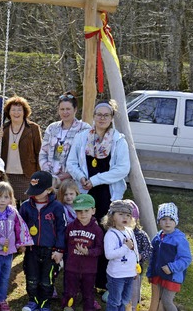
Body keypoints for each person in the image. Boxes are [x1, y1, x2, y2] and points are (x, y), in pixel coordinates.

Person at [66, 99, 131, 291]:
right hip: (85, 191)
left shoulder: (119, 141)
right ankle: (80, 277)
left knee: (103, 235)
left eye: (106, 115)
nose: (102, 118)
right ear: (93, 117)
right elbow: (71, 163)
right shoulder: (82, 137)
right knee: (83, 234)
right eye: (98, 114)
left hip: (107, 195)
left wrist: (95, 180)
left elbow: (122, 169)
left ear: (111, 118)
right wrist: (81, 177)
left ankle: (101, 281)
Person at [0, 182, 33, 311]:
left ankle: (2, 299)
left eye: (6, 197)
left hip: (8, 253)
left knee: (5, 278)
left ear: (11, 198)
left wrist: (22, 243)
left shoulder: (13, 213)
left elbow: (20, 227)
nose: (2, 200)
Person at [19, 171, 66, 311]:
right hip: (32, 249)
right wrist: (21, 243)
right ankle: (33, 301)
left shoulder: (57, 207)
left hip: (50, 251)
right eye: (33, 190)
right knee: (31, 277)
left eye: (38, 191)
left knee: (47, 279)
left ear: (49, 190)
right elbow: (20, 226)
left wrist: (59, 250)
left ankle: (45, 303)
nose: (34, 194)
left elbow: (61, 230)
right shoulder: (26, 206)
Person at [0, 95, 42, 203]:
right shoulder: (3, 128)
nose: (16, 113)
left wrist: (39, 174)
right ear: (8, 113)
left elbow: (39, 152)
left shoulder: (33, 128)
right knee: (9, 204)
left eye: (19, 110)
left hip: (27, 174)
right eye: (13, 110)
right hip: (8, 175)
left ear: (25, 112)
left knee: (27, 205)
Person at [63, 194, 104, 311]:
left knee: (88, 291)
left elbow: (100, 249)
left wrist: (89, 252)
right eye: (79, 211)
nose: (83, 214)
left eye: (86, 210)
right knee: (70, 289)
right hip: (72, 266)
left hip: (89, 269)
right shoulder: (70, 227)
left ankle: (89, 307)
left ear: (93, 210)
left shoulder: (97, 230)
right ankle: (69, 306)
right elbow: (65, 243)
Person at [147, 203, 191, 311]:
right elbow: (153, 256)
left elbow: (186, 259)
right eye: (164, 219)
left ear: (176, 221)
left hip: (173, 276)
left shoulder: (179, 239)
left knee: (167, 300)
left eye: (171, 219)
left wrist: (172, 268)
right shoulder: (158, 237)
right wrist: (150, 272)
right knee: (160, 300)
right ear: (159, 221)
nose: (167, 222)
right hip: (159, 275)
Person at [39, 92, 91, 182]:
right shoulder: (51, 128)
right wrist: (48, 173)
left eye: (68, 109)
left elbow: (87, 156)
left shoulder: (84, 128)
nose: (65, 112)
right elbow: (43, 153)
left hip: (73, 180)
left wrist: (69, 174)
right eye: (62, 109)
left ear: (75, 109)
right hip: (51, 180)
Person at [102, 200, 139, 311]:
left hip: (129, 273)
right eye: (121, 214)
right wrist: (125, 248)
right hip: (116, 275)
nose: (125, 218)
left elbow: (135, 249)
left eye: (128, 215)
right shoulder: (111, 234)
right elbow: (109, 254)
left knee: (125, 300)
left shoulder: (129, 231)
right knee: (115, 300)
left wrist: (136, 266)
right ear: (112, 216)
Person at [123, 200, 152, 311]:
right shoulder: (118, 232)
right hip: (120, 269)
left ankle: (135, 307)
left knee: (134, 292)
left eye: (130, 217)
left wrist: (140, 256)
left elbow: (149, 250)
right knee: (122, 291)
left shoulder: (141, 234)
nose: (126, 220)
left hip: (135, 270)